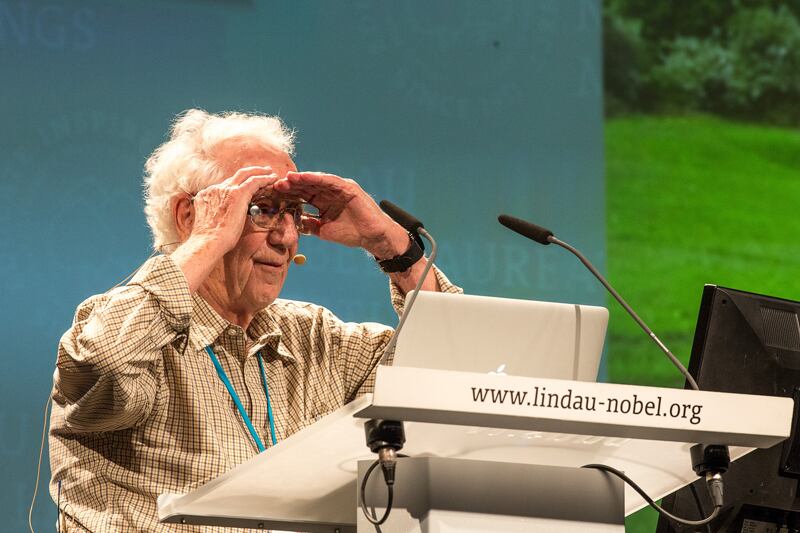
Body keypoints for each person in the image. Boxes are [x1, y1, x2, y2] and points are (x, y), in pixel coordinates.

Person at [49, 109, 460, 532]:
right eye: (261, 209)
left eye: (294, 212)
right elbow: (106, 362)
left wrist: (394, 249)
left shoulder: (316, 338)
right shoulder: (124, 328)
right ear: (189, 216)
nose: (286, 237)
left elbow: (458, 380)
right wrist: (208, 239)